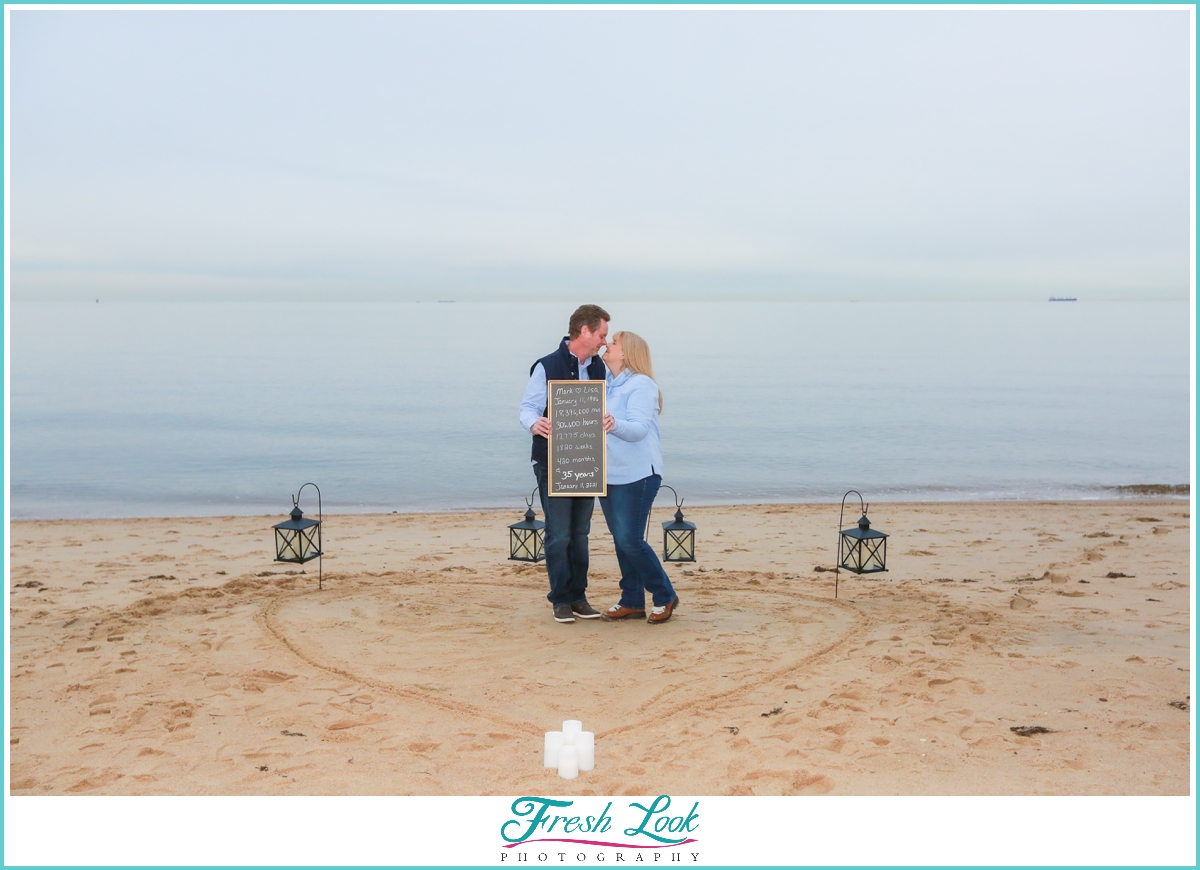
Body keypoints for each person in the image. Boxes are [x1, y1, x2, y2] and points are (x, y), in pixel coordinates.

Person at [518, 304, 611, 624]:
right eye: (601, 335)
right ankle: (560, 598)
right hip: (551, 459)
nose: (603, 341)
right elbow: (527, 408)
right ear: (584, 331)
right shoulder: (546, 365)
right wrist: (534, 424)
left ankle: (578, 596)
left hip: (587, 458)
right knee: (559, 533)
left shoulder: (600, 368)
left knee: (580, 532)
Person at [597, 331, 680, 625]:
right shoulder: (605, 385)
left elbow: (639, 429)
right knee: (621, 540)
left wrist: (613, 424)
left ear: (627, 352)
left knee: (630, 539)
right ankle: (631, 601)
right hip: (608, 474)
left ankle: (664, 595)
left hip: (639, 473)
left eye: (614, 342)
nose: (607, 345)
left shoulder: (641, 385)